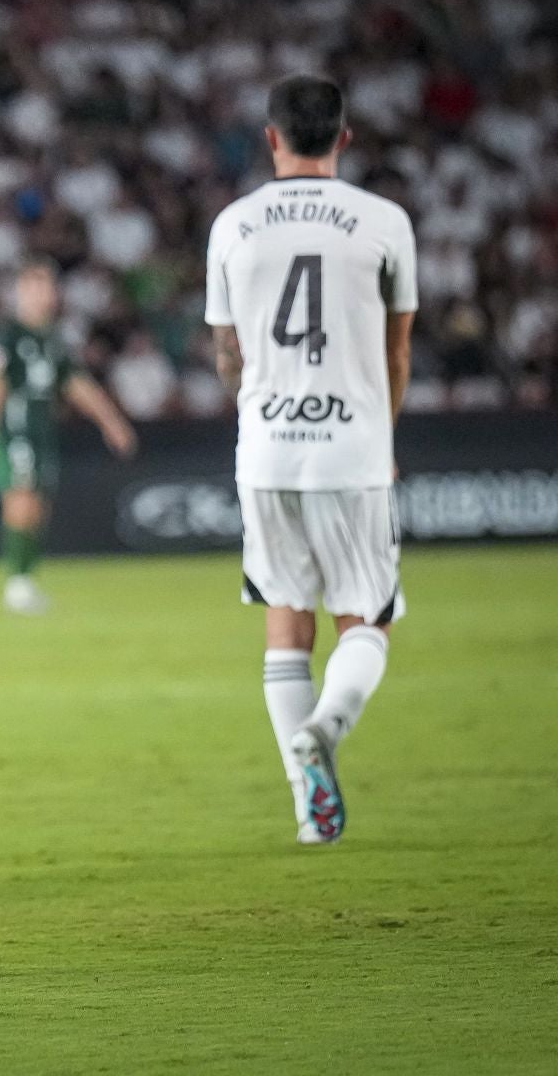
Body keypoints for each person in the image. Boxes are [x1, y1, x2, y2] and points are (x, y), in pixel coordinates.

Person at [204, 75, 416, 845]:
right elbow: (397, 351)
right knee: (367, 618)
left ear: (271, 138)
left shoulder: (233, 224)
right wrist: (382, 437)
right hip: (352, 446)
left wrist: (259, 408)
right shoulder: (384, 222)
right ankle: (325, 725)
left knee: (286, 627)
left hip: (266, 449)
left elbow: (228, 353)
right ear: (344, 138)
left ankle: (310, 813)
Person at [0, 261, 138, 613]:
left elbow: (77, 385)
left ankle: (26, 578)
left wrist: (112, 422)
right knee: (21, 501)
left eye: (47, 287)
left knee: (39, 507)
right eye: (35, 287)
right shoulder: (9, 336)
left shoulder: (53, 339)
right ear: (21, 293)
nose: (43, 294)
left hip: (42, 432)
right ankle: (16, 583)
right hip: (15, 432)